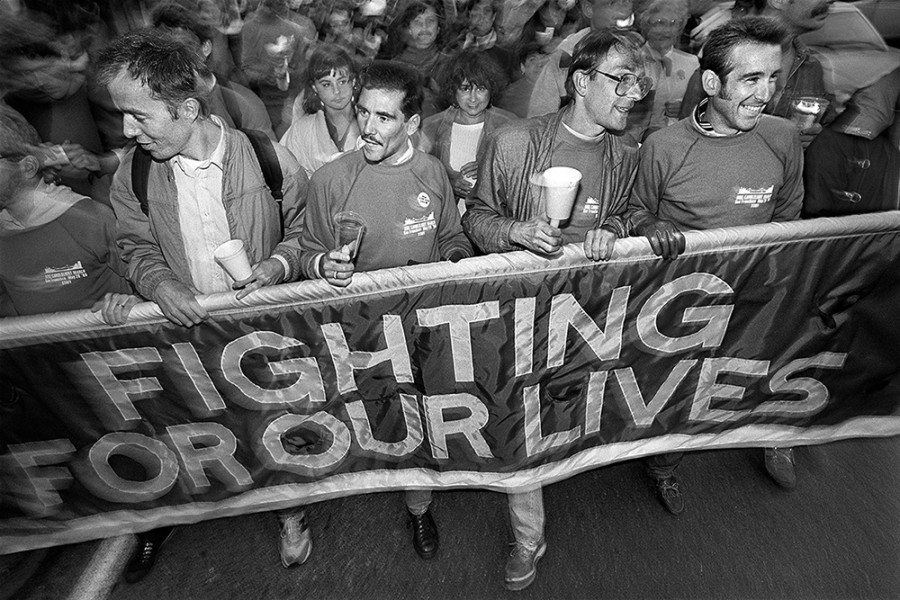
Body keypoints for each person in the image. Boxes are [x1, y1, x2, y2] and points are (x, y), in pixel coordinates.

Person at [94, 28, 310, 580]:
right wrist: (160, 285)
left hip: (264, 338)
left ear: (188, 108)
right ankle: (176, 513)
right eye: (122, 115)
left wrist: (279, 266)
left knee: (273, 429)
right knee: (194, 426)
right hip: (186, 341)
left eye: (139, 116)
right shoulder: (134, 171)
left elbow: (306, 235)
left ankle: (290, 512)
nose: (126, 130)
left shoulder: (269, 159)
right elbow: (134, 245)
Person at [462, 28, 646, 591]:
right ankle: (527, 539)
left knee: (575, 417)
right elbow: (474, 216)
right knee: (521, 427)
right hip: (518, 317)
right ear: (581, 81)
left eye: (639, 82)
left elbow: (629, 213)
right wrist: (515, 231)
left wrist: (612, 229)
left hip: (588, 319)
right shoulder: (516, 141)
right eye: (621, 80)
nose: (633, 94)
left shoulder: (625, 153)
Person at [627, 16, 804, 512]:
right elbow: (636, 211)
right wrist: (648, 226)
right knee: (677, 387)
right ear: (711, 82)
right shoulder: (664, 147)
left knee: (767, 368)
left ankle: (774, 435)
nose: (766, 93)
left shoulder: (784, 137)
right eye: (751, 79)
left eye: (773, 77)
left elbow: (791, 219)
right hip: (686, 305)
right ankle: (663, 466)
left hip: (756, 293)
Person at [298, 61, 473, 561]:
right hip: (358, 336)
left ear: (412, 124)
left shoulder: (433, 173)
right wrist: (320, 263)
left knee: (420, 417)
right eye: (364, 114)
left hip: (421, 333)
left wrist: (457, 262)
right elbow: (307, 249)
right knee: (373, 418)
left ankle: (419, 507)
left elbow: (451, 238)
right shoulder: (331, 180)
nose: (369, 129)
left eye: (385, 118)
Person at [678, 0, 835, 147]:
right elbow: (686, 140)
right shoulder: (724, 58)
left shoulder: (812, 67)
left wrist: (818, 136)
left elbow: (830, 130)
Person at [151, 0, 276, 139]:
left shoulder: (243, 106)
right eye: (163, 50)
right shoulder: (153, 103)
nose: (172, 58)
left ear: (205, 48)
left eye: (183, 48)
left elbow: (268, 157)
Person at [419, 49, 518, 213]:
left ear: (491, 90)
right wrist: (450, 183)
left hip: (493, 223)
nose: (473, 98)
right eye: (465, 89)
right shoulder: (432, 127)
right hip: (445, 224)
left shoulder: (508, 125)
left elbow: (521, 178)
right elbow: (418, 179)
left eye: (480, 89)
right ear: (453, 90)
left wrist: (488, 173)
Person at [280, 44, 361, 178]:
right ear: (314, 87)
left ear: (353, 81)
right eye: (326, 84)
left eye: (342, 81)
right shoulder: (301, 131)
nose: (337, 91)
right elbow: (289, 177)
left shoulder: (371, 124)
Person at [635, 0, 698, 137]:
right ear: (646, 25)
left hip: (681, 139)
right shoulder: (633, 61)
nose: (667, 30)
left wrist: (686, 108)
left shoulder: (692, 63)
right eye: (659, 22)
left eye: (673, 23)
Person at [496, 42, 550, 118]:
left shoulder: (558, 89)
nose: (540, 65)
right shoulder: (511, 95)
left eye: (544, 60)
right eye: (533, 60)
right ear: (522, 67)